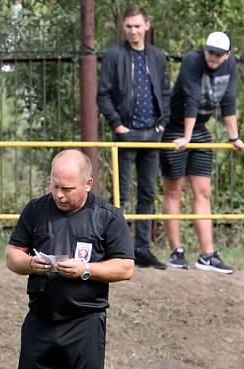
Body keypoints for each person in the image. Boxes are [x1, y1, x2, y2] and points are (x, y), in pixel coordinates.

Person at [0, 149, 134, 369]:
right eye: (56, 186)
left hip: (85, 323)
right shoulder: (35, 210)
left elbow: (125, 267)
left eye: (68, 188)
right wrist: (31, 264)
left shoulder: (107, 216)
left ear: (88, 184)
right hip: (41, 322)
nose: (59, 194)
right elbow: (13, 255)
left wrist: (86, 270)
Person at [160, 31, 244, 274]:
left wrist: (234, 137)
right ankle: (176, 253)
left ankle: (207, 255)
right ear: (204, 49)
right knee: (174, 190)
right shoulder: (192, 60)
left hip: (200, 129)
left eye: (219, 54)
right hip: (176, 128)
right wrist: (185, 137)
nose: (214, 58)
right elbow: (191, 99)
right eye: (210, 52)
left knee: (203, 191)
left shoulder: (230, 66)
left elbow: (229, 100)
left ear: (227, 55)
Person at [97, 4, 171, 270]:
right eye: (129, 26)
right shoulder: (114, 55)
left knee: (148, 192)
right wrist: (117, 124)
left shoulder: (157, 56)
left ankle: (142, 249)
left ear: (146, 26)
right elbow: (102, 94)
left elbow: (165, 91)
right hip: (127, 132)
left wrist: (163, 123)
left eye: (137, 26)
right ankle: (115, 248)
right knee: (120, 192)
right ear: (123, 28)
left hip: (153, 133)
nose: (133, 31)